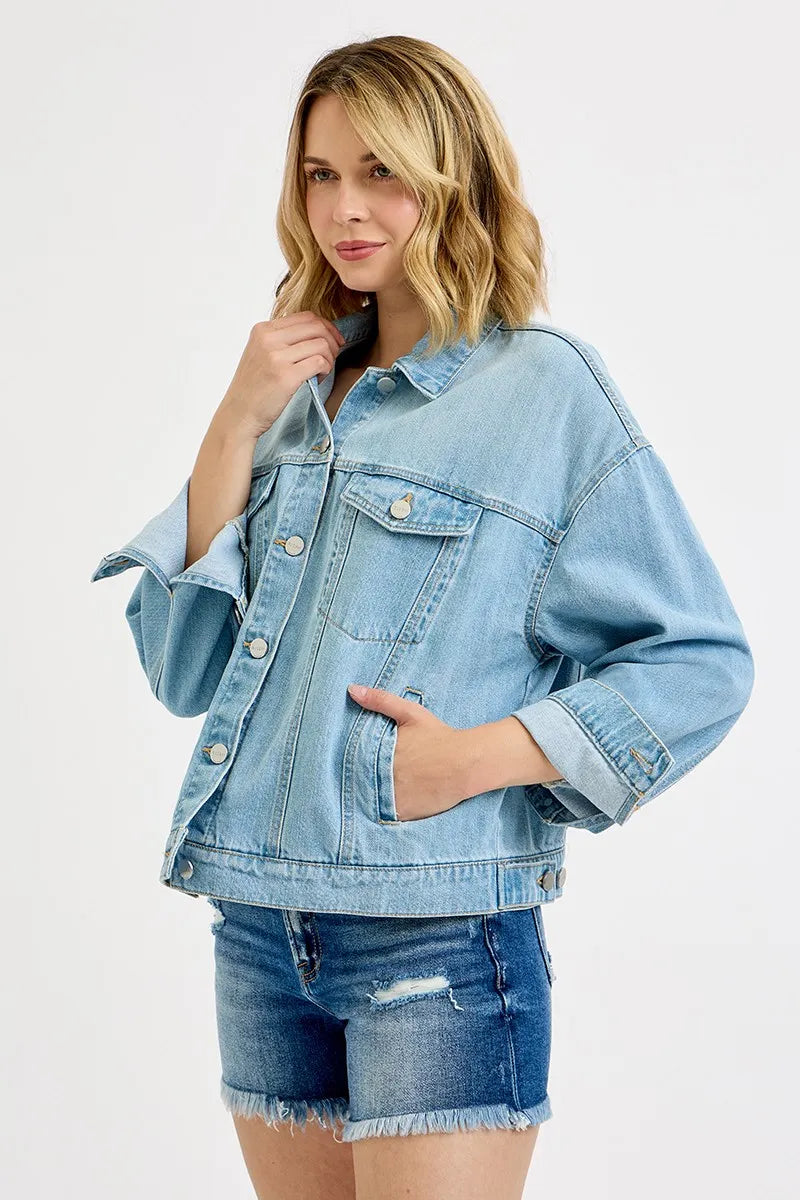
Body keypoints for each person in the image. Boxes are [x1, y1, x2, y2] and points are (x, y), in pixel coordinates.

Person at [89, 35, 755, 1200]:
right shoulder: (291, 391)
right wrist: (233, 424)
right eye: (319, 175)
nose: (344, 209)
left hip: (436, 933)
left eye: (381, 172)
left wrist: (475, 759)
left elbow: (699, 658)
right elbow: (184, 670)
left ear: (452, 179)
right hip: (257, 923)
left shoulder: (541, 388)